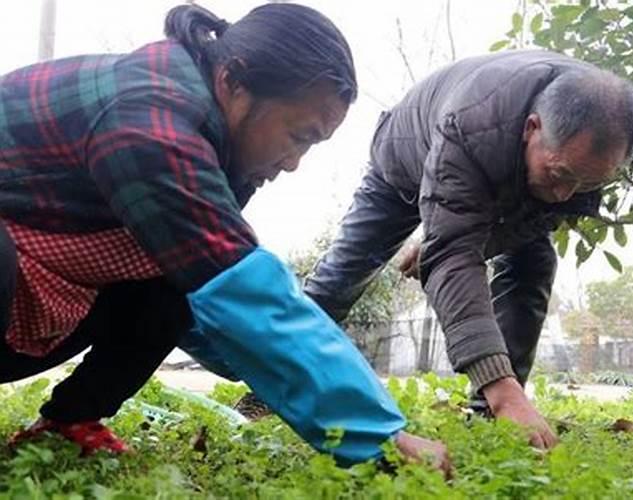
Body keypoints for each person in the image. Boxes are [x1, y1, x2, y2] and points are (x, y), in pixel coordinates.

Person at [0, 3, 450, 474]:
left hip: (35, 279)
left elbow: (224, 302)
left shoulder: (220, 155)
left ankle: (69, 422)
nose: (294, 162)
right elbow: (244, 292)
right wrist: (380, 435)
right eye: (299, 136)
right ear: (233, 82)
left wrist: (262, 363)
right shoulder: (149, 119)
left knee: (182, 281)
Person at [301, 50, 633, 449]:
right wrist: (444, 242)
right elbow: (454, 255)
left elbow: (526, 221)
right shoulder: (474, 122)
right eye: (559, 175)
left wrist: (441, 240)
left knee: (534, 261)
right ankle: (275, 379)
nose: (564, 194)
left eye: (585, 184)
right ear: (532, 128)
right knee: (344, 273)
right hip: (405, 164)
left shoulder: (594, 140)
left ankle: (492, 416)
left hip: (503, 180)